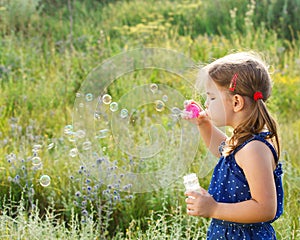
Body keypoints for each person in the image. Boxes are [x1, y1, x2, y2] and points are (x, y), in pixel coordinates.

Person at [184, 52, 284, 239]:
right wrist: (203, 124)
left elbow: (265, 208)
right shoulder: (243, 141)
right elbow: (222, 150)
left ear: (236, 102)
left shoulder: (254, 149)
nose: (206, 103)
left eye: (211, 98)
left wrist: (214, 208)